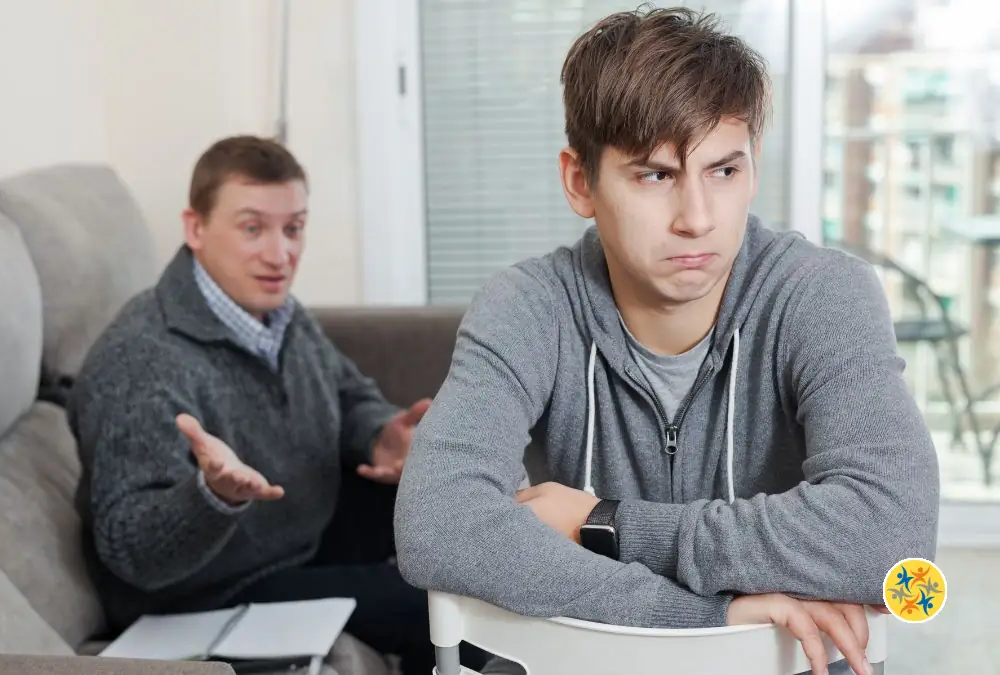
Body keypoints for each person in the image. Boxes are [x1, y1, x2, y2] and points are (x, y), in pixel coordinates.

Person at [393, 7, 939, 675]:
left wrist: (604, 522)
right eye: (656, 175)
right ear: (580, 182)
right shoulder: (528, 306)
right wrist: (705, 618)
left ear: (753, 170)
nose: (697, 219)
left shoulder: (823, 293)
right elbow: (439, 521)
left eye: (723, 171)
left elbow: (893, 534)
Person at [68, 135, 485, 675]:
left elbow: (347, 392)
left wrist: (379, 435)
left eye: (293, 228)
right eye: (252, 229)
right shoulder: (141, 360)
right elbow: (132, 551)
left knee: (459, 503)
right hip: (209, 587)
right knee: (430, 604)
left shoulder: (277, 314)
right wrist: (211, 496)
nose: (279, 254)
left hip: (292, 531)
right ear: (195, 228)